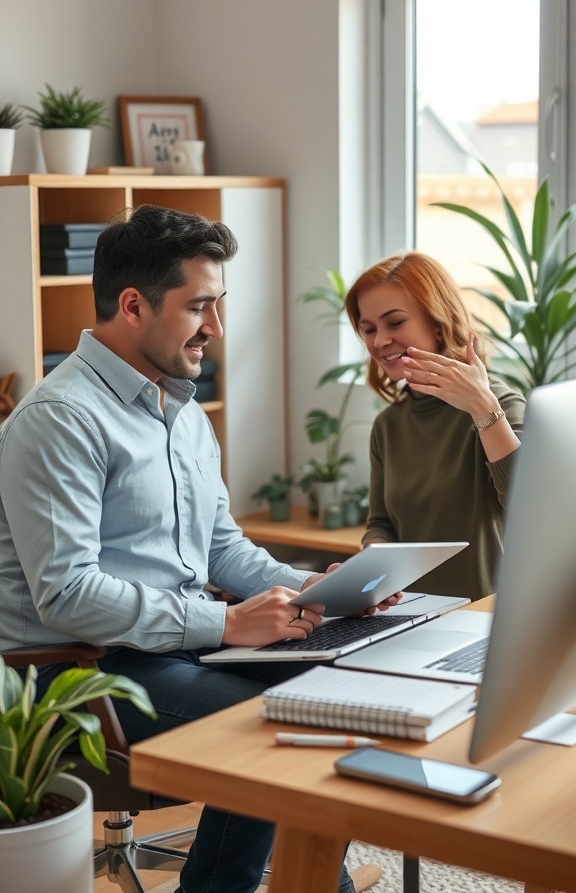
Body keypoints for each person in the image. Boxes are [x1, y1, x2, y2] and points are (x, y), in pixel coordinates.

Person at [0, 204, 395, 893]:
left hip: (173, 650)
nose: (215, 327)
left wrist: (318, 588)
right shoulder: (59, 420)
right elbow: (66, 597)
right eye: (199, 306)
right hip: (76, 675)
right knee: (273, 732)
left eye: (218, 304)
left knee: (340, 699)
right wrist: (227, 623)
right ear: (132, 306)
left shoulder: (180, 411)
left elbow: (221, 551)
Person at [344, 251, 526, 602]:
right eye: (369, 329)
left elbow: (527, 504)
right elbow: (381, 524)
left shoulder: (500, 404)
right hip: (411, 616)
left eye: (394, 322)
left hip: (486, 618)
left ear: (439, 321)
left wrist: (481, 406)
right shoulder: (388, 426)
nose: (379, 341)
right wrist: (371, 570)